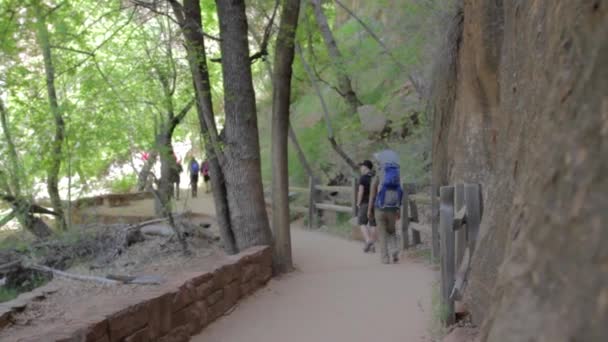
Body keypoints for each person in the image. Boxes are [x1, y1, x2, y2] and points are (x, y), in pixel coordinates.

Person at [368, 151, 403, 264]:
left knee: (382, 233)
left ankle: (385, 258)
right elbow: (399, 193)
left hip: (380, 208)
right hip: (392, 208)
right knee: (392, 231)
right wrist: (398, 209)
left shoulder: (378, 176)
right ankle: (394, 250)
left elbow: (372, 195)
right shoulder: (396, 175)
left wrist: (369, 210)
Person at [357, 160, 377, 253]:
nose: (360, 168)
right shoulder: (375, 177)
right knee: (373, 224)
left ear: (365, 167)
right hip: (375, 203)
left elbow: (360, 192)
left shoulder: (363, 178)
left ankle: (368, 241)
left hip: (365, 203)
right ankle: (372, 244)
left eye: (361, 167)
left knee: (362, 223)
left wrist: (358, 202)